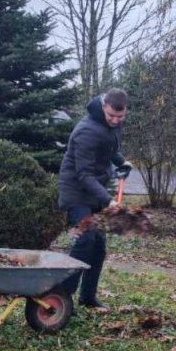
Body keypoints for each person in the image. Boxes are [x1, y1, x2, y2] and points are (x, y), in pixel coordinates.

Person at [57, 88, 134, 310]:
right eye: (111, 116)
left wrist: (122, 162)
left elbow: (108, 149)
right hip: (76, 191)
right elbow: (83, 175)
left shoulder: (112, 124)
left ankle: (88, 297)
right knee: (86, 239)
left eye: (120, 117)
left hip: (95, 191)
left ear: (125, 110)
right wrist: (109, 200)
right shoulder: (87, 131)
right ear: (103, 106)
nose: (115, 120)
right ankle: (63, 296)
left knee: (98, 246)